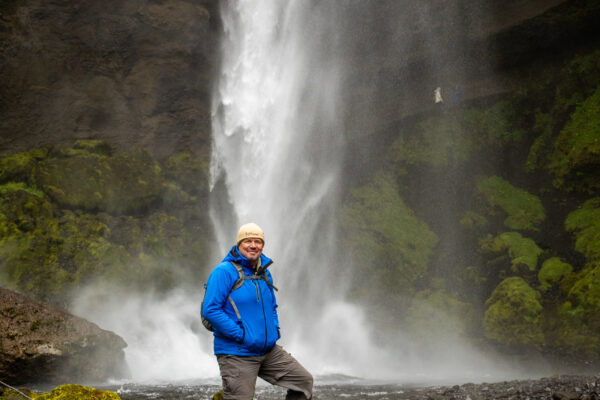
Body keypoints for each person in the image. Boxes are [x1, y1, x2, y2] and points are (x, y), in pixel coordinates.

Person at [202, 222, 313, 400]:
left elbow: (272, 306)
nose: (253, 245)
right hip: (237, 352)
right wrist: (242, 335)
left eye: (258, 241)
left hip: (267, 350)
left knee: (303, 382)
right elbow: (210, 310)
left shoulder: (264, 272)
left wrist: (274, 331)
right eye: (248, 241)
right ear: (239, 244)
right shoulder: (224, 272)